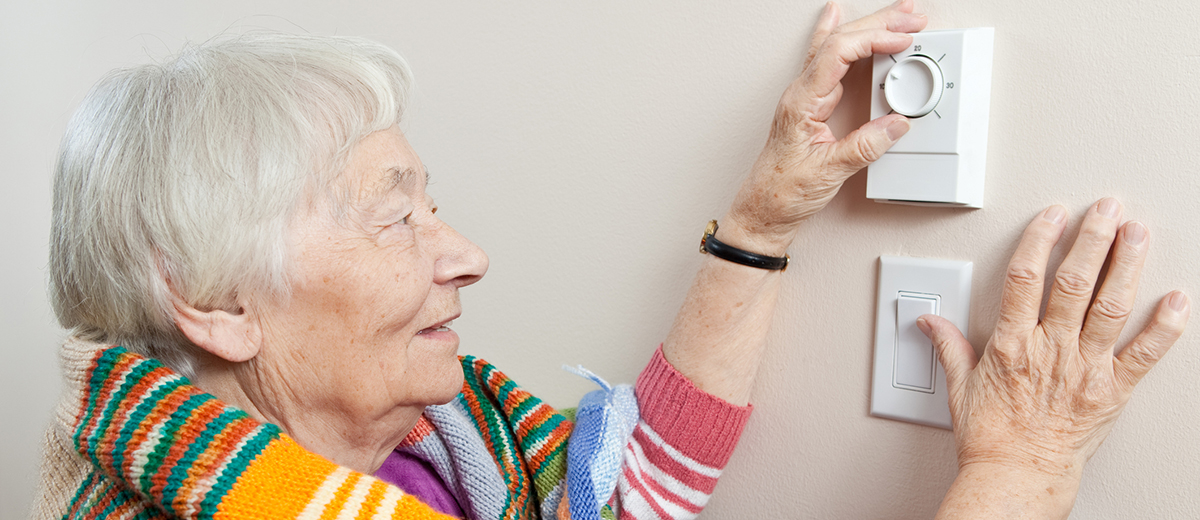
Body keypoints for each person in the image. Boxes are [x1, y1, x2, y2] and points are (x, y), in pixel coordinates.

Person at [33, 1, 1189, 518]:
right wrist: (1023, 470)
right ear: (213, 301)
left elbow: (625, 494)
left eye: (438, 205)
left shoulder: (436, 445)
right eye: (395, 218)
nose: (469, 255)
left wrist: (765, 221)